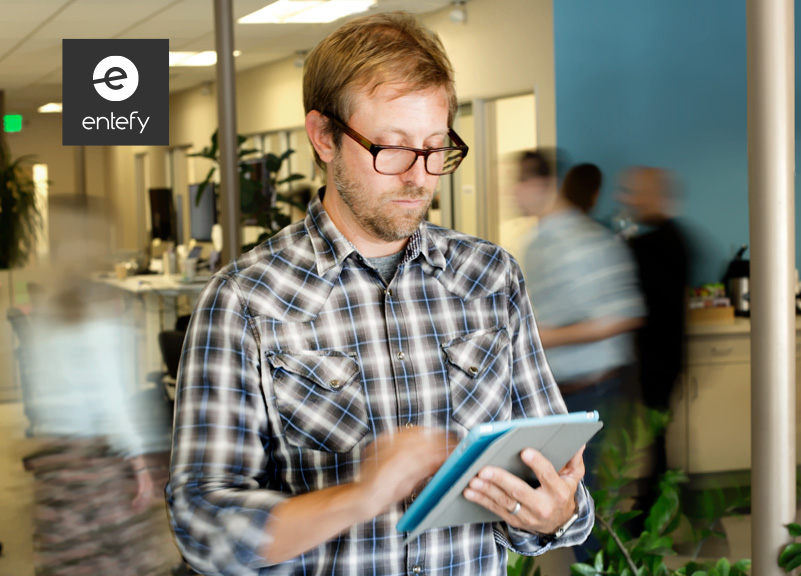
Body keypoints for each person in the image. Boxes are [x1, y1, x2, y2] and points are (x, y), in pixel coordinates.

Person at [166, 12, 592, 576]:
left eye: (435, 148)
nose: (418, 176)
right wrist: (357, 498)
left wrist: (551, 514)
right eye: (390, 148)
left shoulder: (491, 277)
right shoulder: (246, 301)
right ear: (324, 137)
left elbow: (562, 489)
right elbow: (202, 527)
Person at [19, 199, 176, 576]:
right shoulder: (102, 318)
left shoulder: (43, 308)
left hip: (58, 462)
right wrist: (140, 464)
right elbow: (114, 402)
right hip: (99, 463)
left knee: (72, 558)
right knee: (115, 559)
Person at [513, 155, 645, 489]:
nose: (512, 194)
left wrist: (541, 336)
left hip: (592, 390)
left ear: (540, 185)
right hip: (556, 390)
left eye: (518, 184)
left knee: (587, 497)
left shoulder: (583, 241)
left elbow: (623, 316)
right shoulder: (538, 240)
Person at [616, 166, 692, 514]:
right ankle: (655, 505)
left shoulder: (653, 245)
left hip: (658, 359)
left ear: (654, 195)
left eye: (634, 192)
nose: (628, 199)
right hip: (667, 355)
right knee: (658, 437)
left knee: (658, 439)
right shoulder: (675, 237)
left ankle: (657, 510)